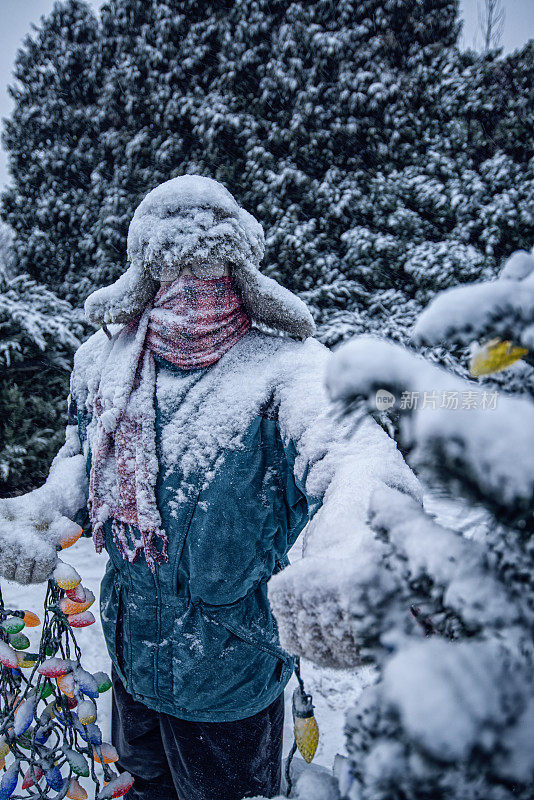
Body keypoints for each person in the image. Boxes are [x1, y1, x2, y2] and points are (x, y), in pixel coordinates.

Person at [0, 176, 420, 800]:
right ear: (145, 272)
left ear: (241, 272)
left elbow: (356, 459)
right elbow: (79, 469)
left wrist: (348, 548)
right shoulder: (105, 361)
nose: (192, 294)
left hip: (232, 679)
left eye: (213, 274)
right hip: (133, 665)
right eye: (173, 274)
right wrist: (37, 516)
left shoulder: (290, 372)